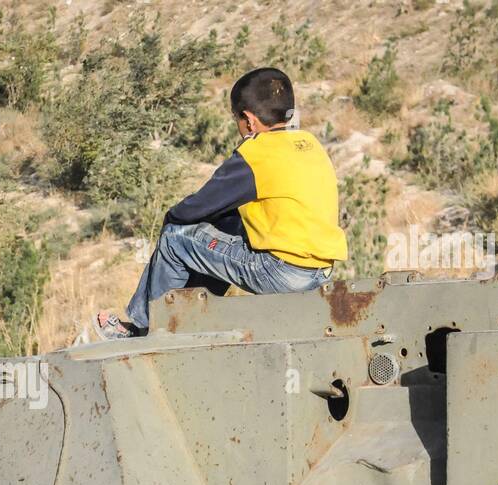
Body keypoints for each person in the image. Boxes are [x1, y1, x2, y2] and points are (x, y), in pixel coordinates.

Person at [94, 67, 348, 340]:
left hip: (282, 274)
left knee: (174, 238)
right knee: (229, 232)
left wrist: (172, 218)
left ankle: (143, 329)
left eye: (236, 119)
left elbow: (201, 205)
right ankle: (189, 317)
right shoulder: (308, 143)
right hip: (319, 272)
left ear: (249, 120)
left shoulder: (256, 153)